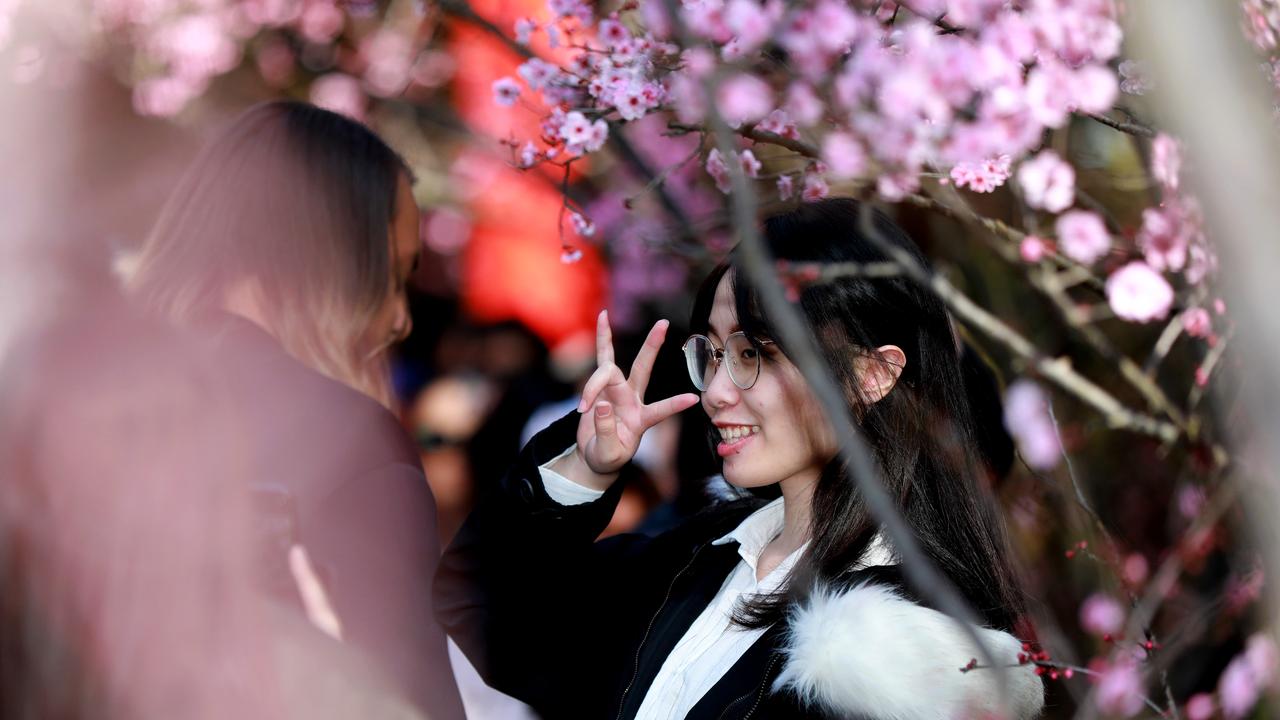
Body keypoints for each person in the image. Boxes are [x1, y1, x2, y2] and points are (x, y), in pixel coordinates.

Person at [435, 197, 1046, 719]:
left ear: (871, 374)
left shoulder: (912, 650)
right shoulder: (699, 557)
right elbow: (485, 613)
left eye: (756, 353)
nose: (719, 389)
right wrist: (587, 469)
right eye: (716, 352)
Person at [123, 100, 465, 719]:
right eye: (390, 275)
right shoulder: (347, 442)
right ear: (323, 258)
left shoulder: (73, 396)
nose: (399, 317)